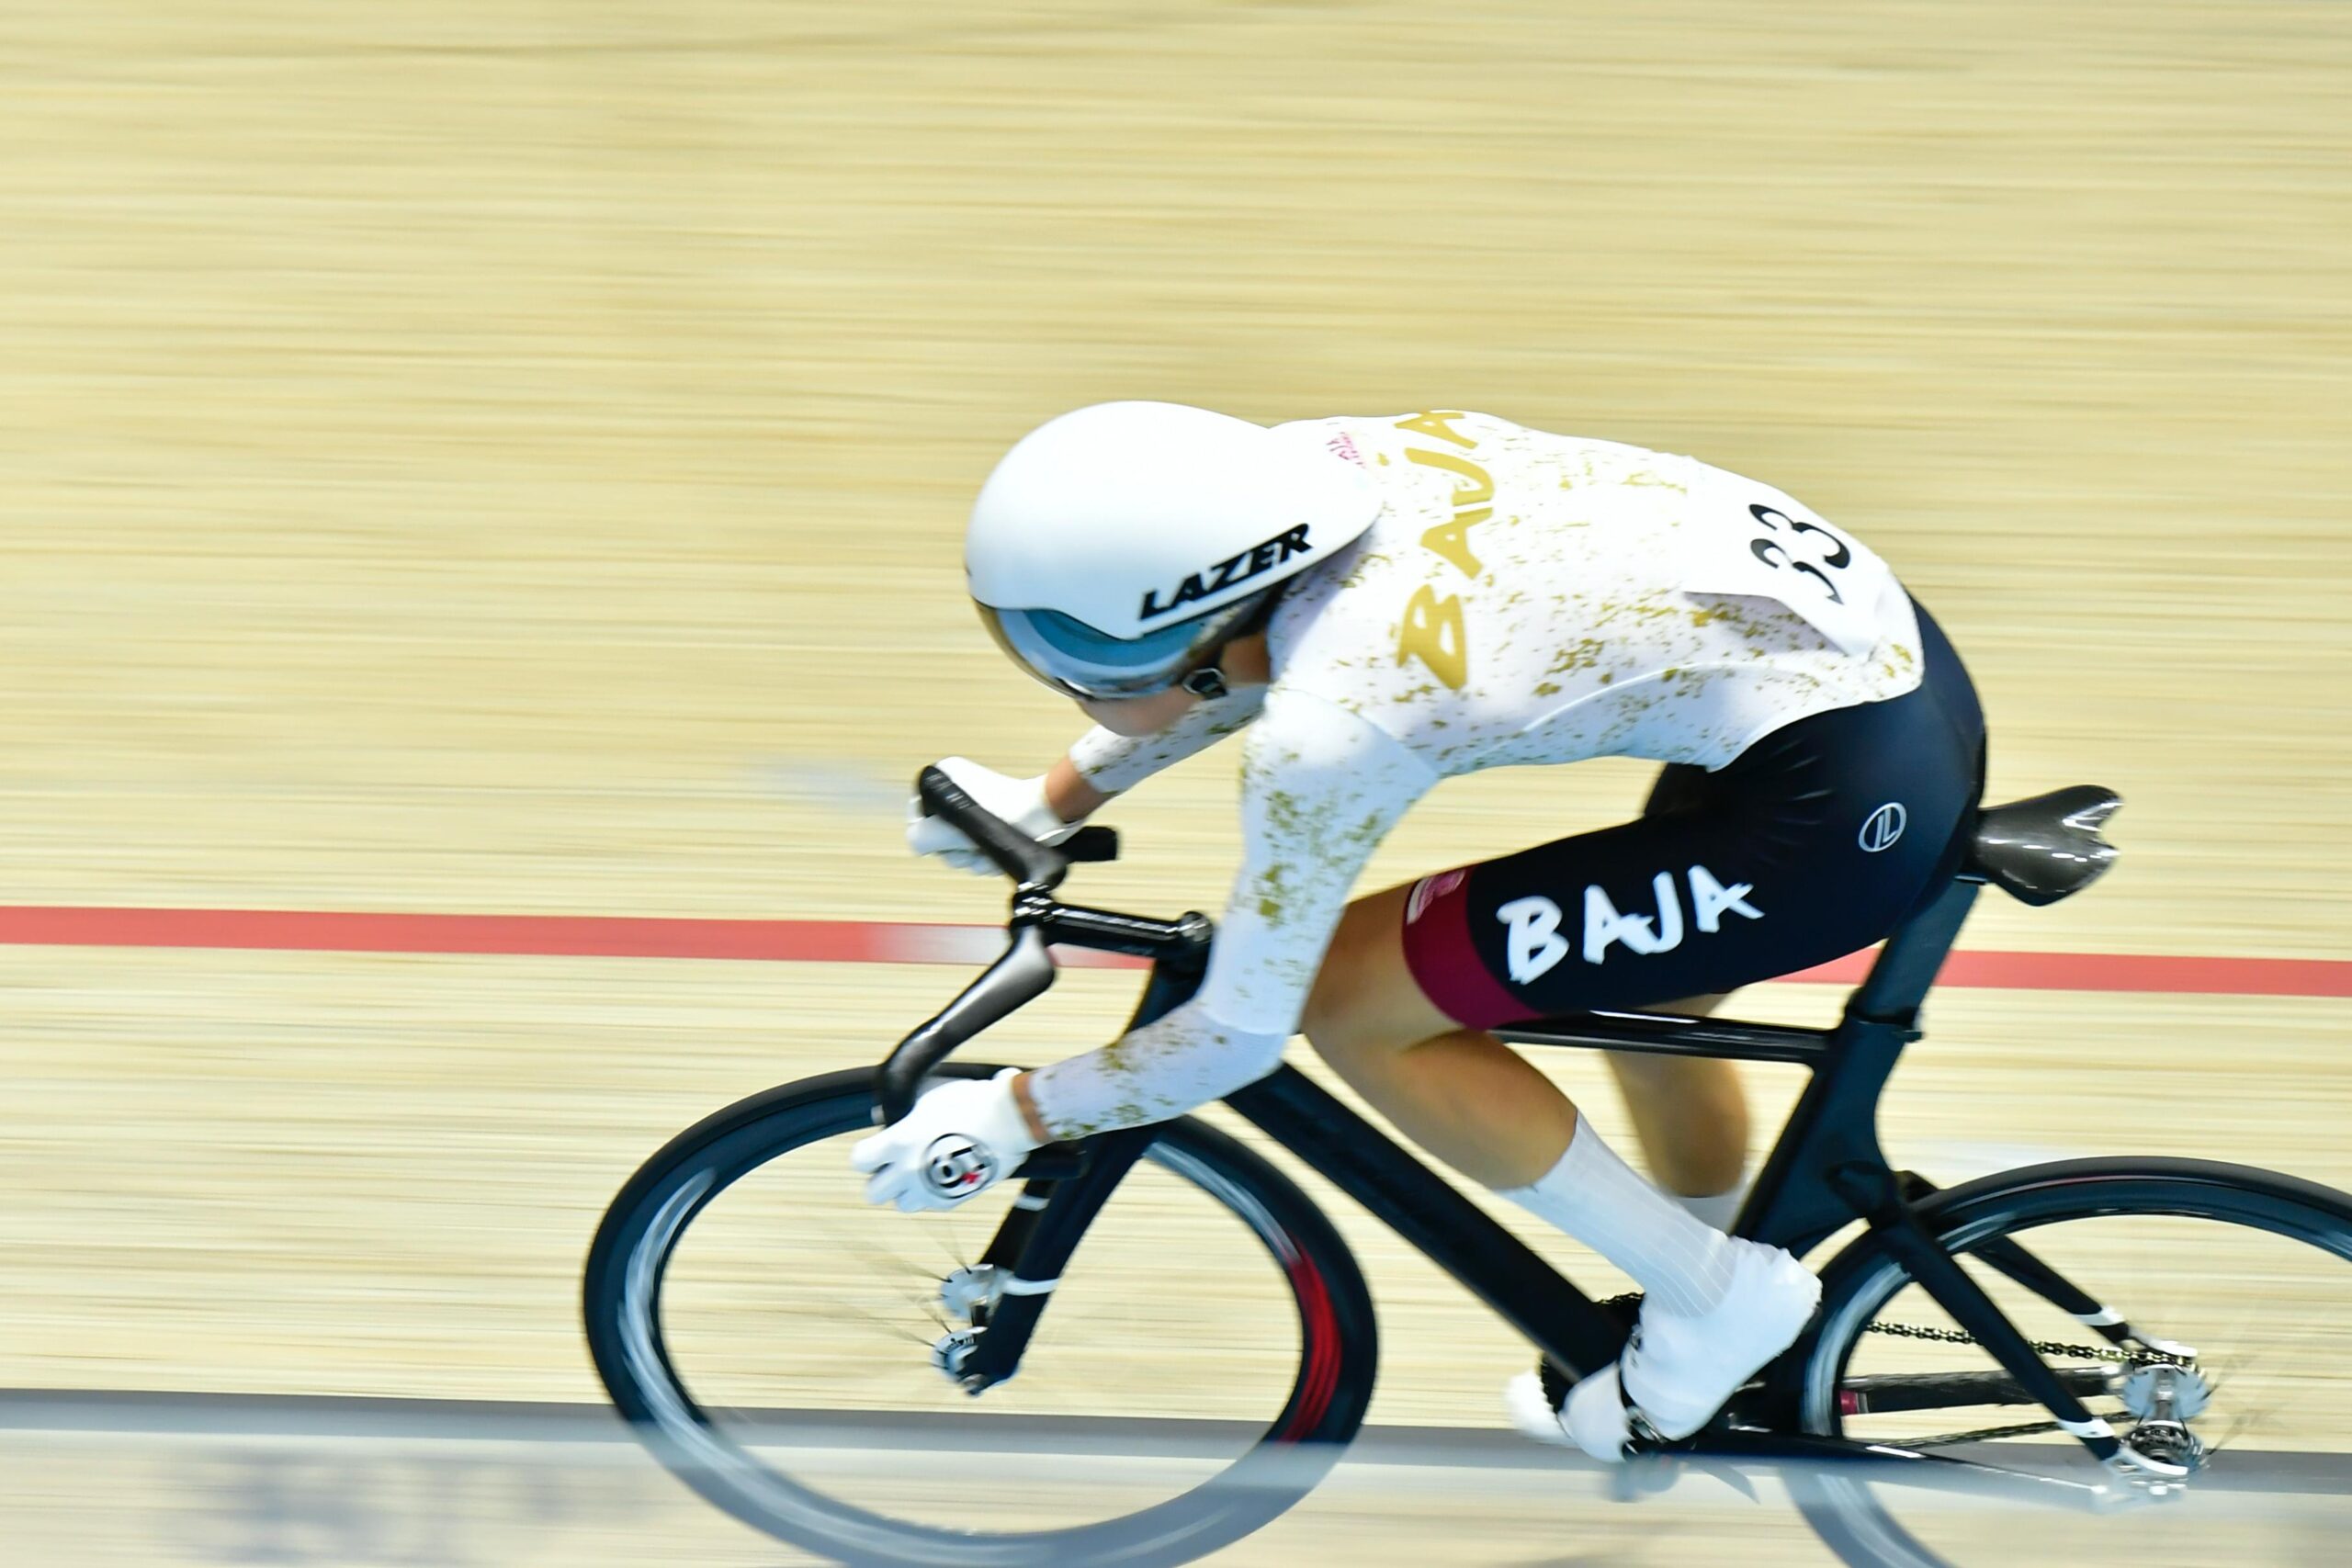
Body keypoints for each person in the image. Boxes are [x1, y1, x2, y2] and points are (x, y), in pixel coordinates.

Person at [852, 400, 1985, 1461]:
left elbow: (1239, 1034)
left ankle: (1717, 1300)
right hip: (1864, 681)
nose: (1062, 678)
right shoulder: (1309, 477)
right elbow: (1225, 659)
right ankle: (1727, 1299)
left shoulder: (1336, 721)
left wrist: (1016, 1114)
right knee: (1642, 1007)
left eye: (1077, 655)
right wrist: (1052, 798)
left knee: (1349, 1001)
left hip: (1831, 802)